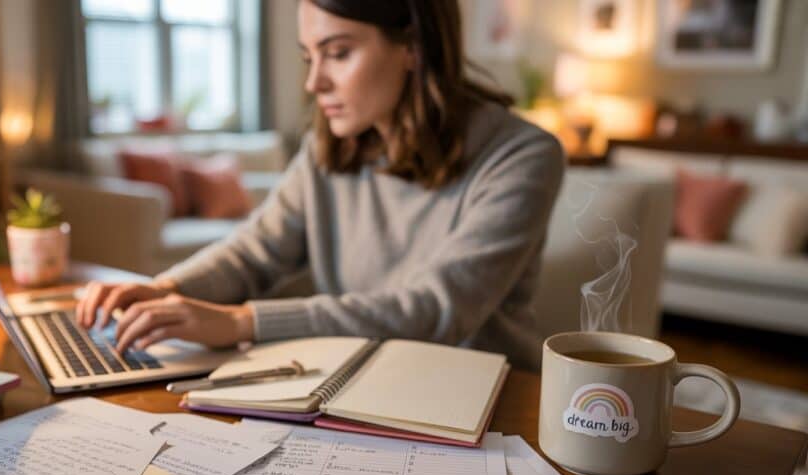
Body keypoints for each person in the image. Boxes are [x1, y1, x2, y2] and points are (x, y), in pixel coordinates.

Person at [77, 0, 564, 370]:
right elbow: (253, 252)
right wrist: (163, 290)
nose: (314, 83)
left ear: (414, 47)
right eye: (310, 57)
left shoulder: (521, 156)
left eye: (338, 53)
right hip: (354, 375)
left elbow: (438, 308)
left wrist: (241, 322)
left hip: (482, 394)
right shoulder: (330, 147)